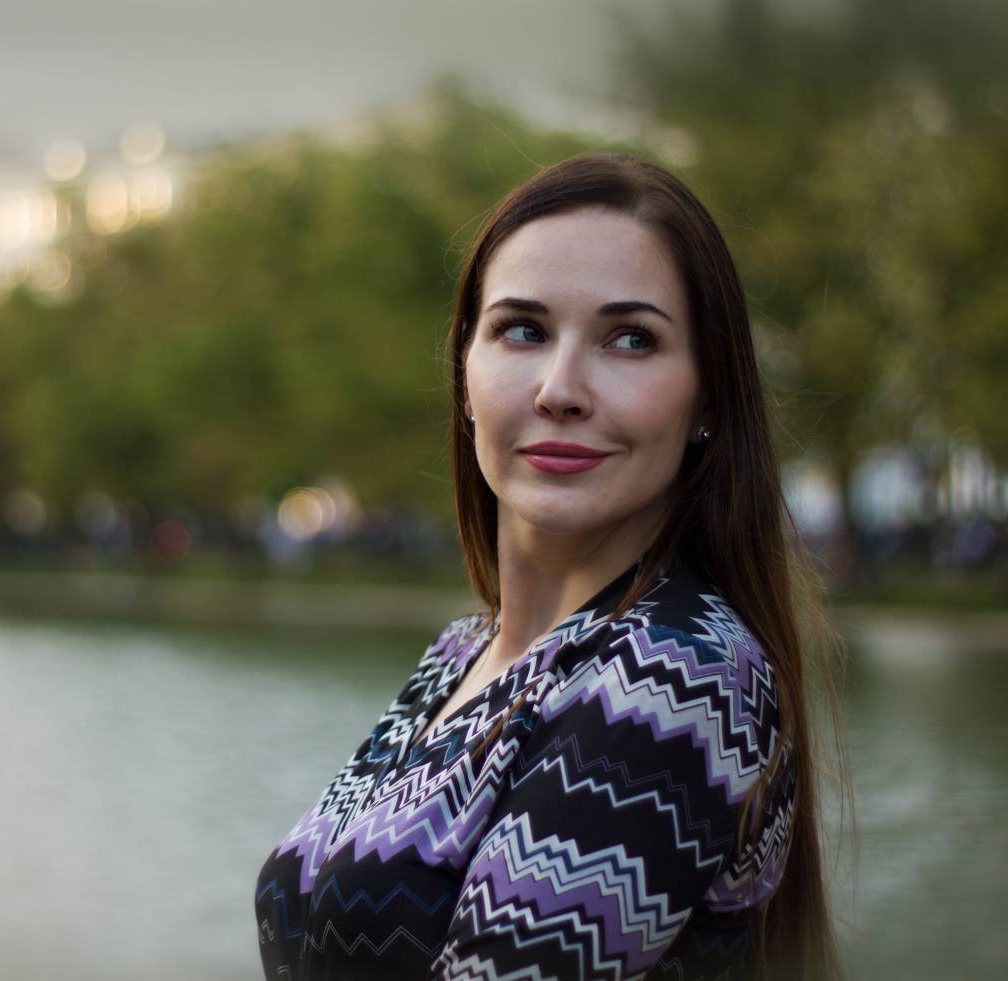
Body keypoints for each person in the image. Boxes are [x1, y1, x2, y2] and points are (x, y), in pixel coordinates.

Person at [255, 153, 843, 980]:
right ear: (465, 373)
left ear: (707, 397)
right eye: (523, 330)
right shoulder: (460, 653)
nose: (560, 389)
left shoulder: (680, 675)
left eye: (630, 339)